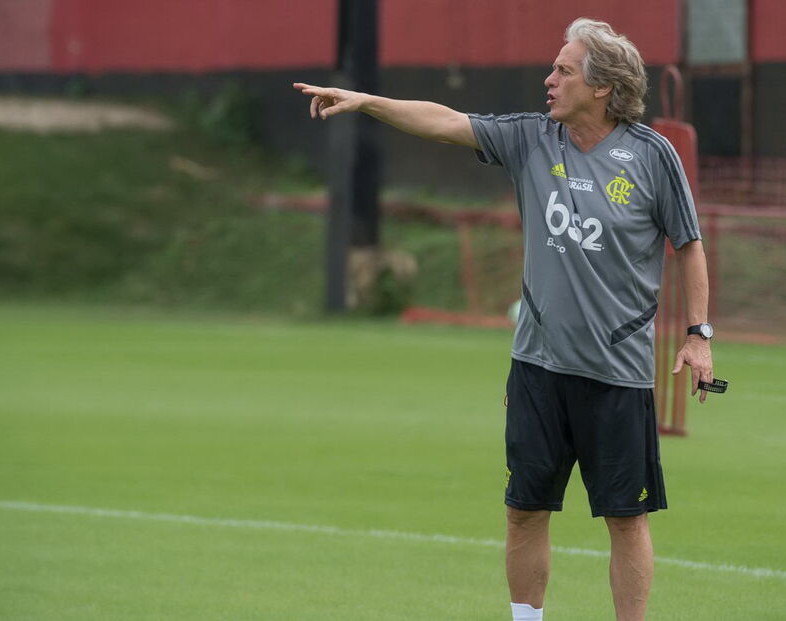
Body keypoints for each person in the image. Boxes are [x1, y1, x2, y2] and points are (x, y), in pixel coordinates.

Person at [294, 17, 715, 621]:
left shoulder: (652, 157)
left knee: (626, 517)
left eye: (563, 70)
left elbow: (690, 245)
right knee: (524, 508)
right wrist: (367, 102)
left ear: (602, 88)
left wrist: (699, 335)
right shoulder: (532, 139)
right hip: (537, 369)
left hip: (619, 375)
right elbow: (445, 121)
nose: (549, 80)